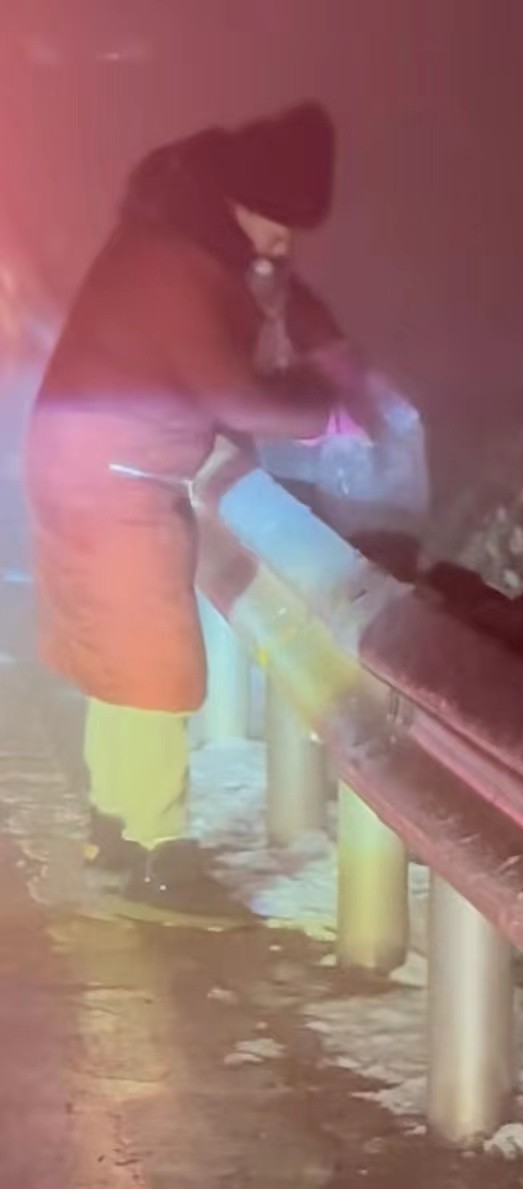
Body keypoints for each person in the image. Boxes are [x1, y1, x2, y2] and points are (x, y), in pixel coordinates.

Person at [25, 102, 373, 917]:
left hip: (87, 464)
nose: (283, 246)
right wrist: (324, 408)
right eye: (277, 226)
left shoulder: (191, 237)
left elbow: (281, 295)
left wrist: (330, 349)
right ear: (242, 203)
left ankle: (116, 826)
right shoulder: (174, 267)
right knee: (153, 660)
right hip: (112, 477)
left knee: (117, 657)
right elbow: (232, 396)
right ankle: (158, 850)